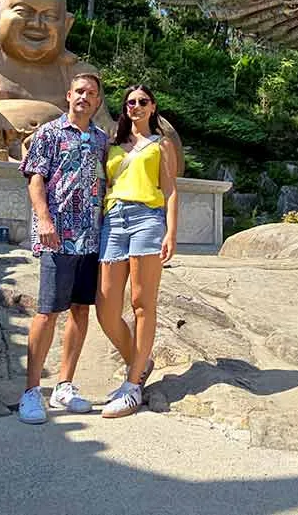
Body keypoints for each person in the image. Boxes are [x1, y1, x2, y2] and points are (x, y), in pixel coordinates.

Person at [15, 73, 110, 424]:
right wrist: (45, 221)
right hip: (59, 236)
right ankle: (30, 391)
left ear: (98, 101)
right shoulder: (50, 133)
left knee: (80, 311)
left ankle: (65, 385)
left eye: (92, 94)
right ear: (69, 95)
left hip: (91, 238)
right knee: (46, 312)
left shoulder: (101, 140)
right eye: (80, 91)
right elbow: (35, 178)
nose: (85, 97)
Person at [95, 85, 179, 419]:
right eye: (131, 102)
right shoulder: (112, 144)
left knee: (142, 304)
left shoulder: (162, 144)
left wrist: (171, 231)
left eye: (143, 102)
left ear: (153, 107)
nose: (136, 106)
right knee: (106, 306)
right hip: (114, 221)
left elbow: (170, 189)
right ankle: (140, 362)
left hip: (147, 219)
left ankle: (132, 385)